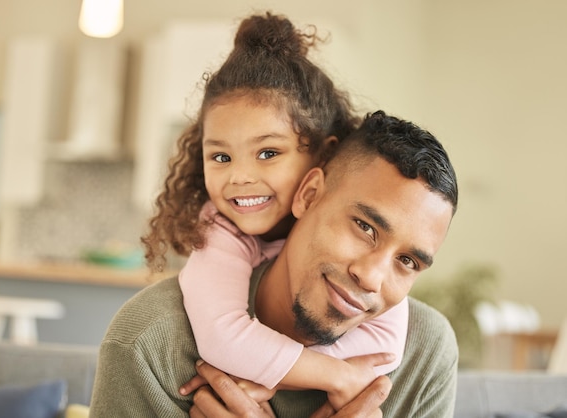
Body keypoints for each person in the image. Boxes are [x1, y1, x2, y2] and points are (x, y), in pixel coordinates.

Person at [89, 108, 459, 418]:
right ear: (309, 195)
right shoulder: (149, 342)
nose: (371, 277)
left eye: (407, 261)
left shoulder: (424, 353)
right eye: (364, 227)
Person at [138, 11, 408, 410]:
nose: (240, 177)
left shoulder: (359, 244)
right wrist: (337, 375)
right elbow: (221, 336)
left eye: (268, 152)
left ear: (324, 155)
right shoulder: (221, 228)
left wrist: (269, 378)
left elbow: (385, 344)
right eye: (221, 156)